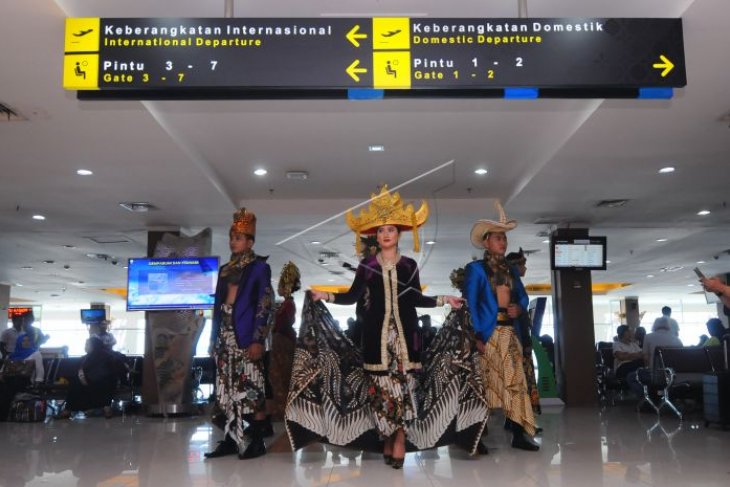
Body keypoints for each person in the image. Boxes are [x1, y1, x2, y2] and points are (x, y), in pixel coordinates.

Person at [291, 186, 483, 469]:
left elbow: (415, 297)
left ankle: (400, 438)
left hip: (406, 339)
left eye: (391, 229)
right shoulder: (367, 266)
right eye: (380, 231)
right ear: (375, 236)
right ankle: (392, 435)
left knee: (405, 390)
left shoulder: (409, 266)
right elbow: (352, 296)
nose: (385, 235)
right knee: (382, 393)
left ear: (399, 234)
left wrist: (445, 299)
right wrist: (326, 296)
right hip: (375, 341)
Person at [463, 201, 539, 451]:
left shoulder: (511, 270)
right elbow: (470, 304)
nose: (503, 243)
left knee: (515, 382)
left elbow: (524, 296)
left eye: (504, 238)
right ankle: (477, 435)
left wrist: (519, 307)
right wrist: (476, 336)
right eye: (497, 238)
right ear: (486, 242)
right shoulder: (475, 269)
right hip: (487, 333)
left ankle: (519, 434)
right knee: (483, 383)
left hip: (510, 332)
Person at [205, 208, 274, 460]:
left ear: (250, 241)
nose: (233, 241)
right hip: (224, 336)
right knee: (225, 389)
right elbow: (216, 307)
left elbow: (264, 304)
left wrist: (258, 338)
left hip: (246, 337)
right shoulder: (224, 269)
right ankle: (231, 439)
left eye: (238, 237)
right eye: (232, 236)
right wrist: (213, 340)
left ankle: (257, 441)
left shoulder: (259, 268)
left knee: (252, 387)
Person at [54, 336, 125, 419]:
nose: (85, 347)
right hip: (89, 383)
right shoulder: (86, 357)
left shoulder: (107, 356)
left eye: (87, 344)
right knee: (75, 383)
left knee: (104, 382)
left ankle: (106, 407)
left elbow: (111, 371)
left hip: (103, 384)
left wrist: (89, 378)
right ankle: (68, 410)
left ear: (94, 345)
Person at [269, 261, 300, 421]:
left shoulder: (288, 305)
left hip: (283, 341)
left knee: (280, 375)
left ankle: (283, 410)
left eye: (281, 286)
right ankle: (282, 409)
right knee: (280, 375)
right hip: (283, 340)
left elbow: (284, 324)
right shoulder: (286, 304)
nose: (279, 289)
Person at [625, 317, 683, 398]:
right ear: (668, 326)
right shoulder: (677, 339)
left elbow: (645, 358)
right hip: (674, 376)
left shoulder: (648, 337)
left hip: (655, 375)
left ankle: (648, 398)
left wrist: (648, 368)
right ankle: (661, 397)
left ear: (654, 326)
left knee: (631, 377)